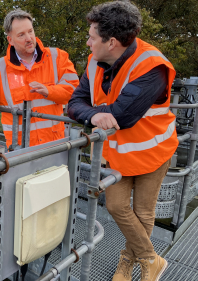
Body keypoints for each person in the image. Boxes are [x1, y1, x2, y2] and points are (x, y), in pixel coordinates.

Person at [67, 1, 178, 281]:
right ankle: (152, 260)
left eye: (92, 36)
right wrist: (92, 115)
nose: (88, 41)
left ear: (112, 42)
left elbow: (122, 116)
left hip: (153, 150)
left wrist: (90, 114)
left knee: (142, 213)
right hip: (117, 154)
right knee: (116, 206)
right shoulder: (94, 62)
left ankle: (128, 263)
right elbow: (74, 103)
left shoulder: (152, 65)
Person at [0, 9, 79, 149]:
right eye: (21, 35)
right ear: (10, 40)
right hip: (19, 149)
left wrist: (49, 91)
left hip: (55, 145)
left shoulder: (57, 57)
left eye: (30, 31)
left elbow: (73, 91)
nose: (29, 38)